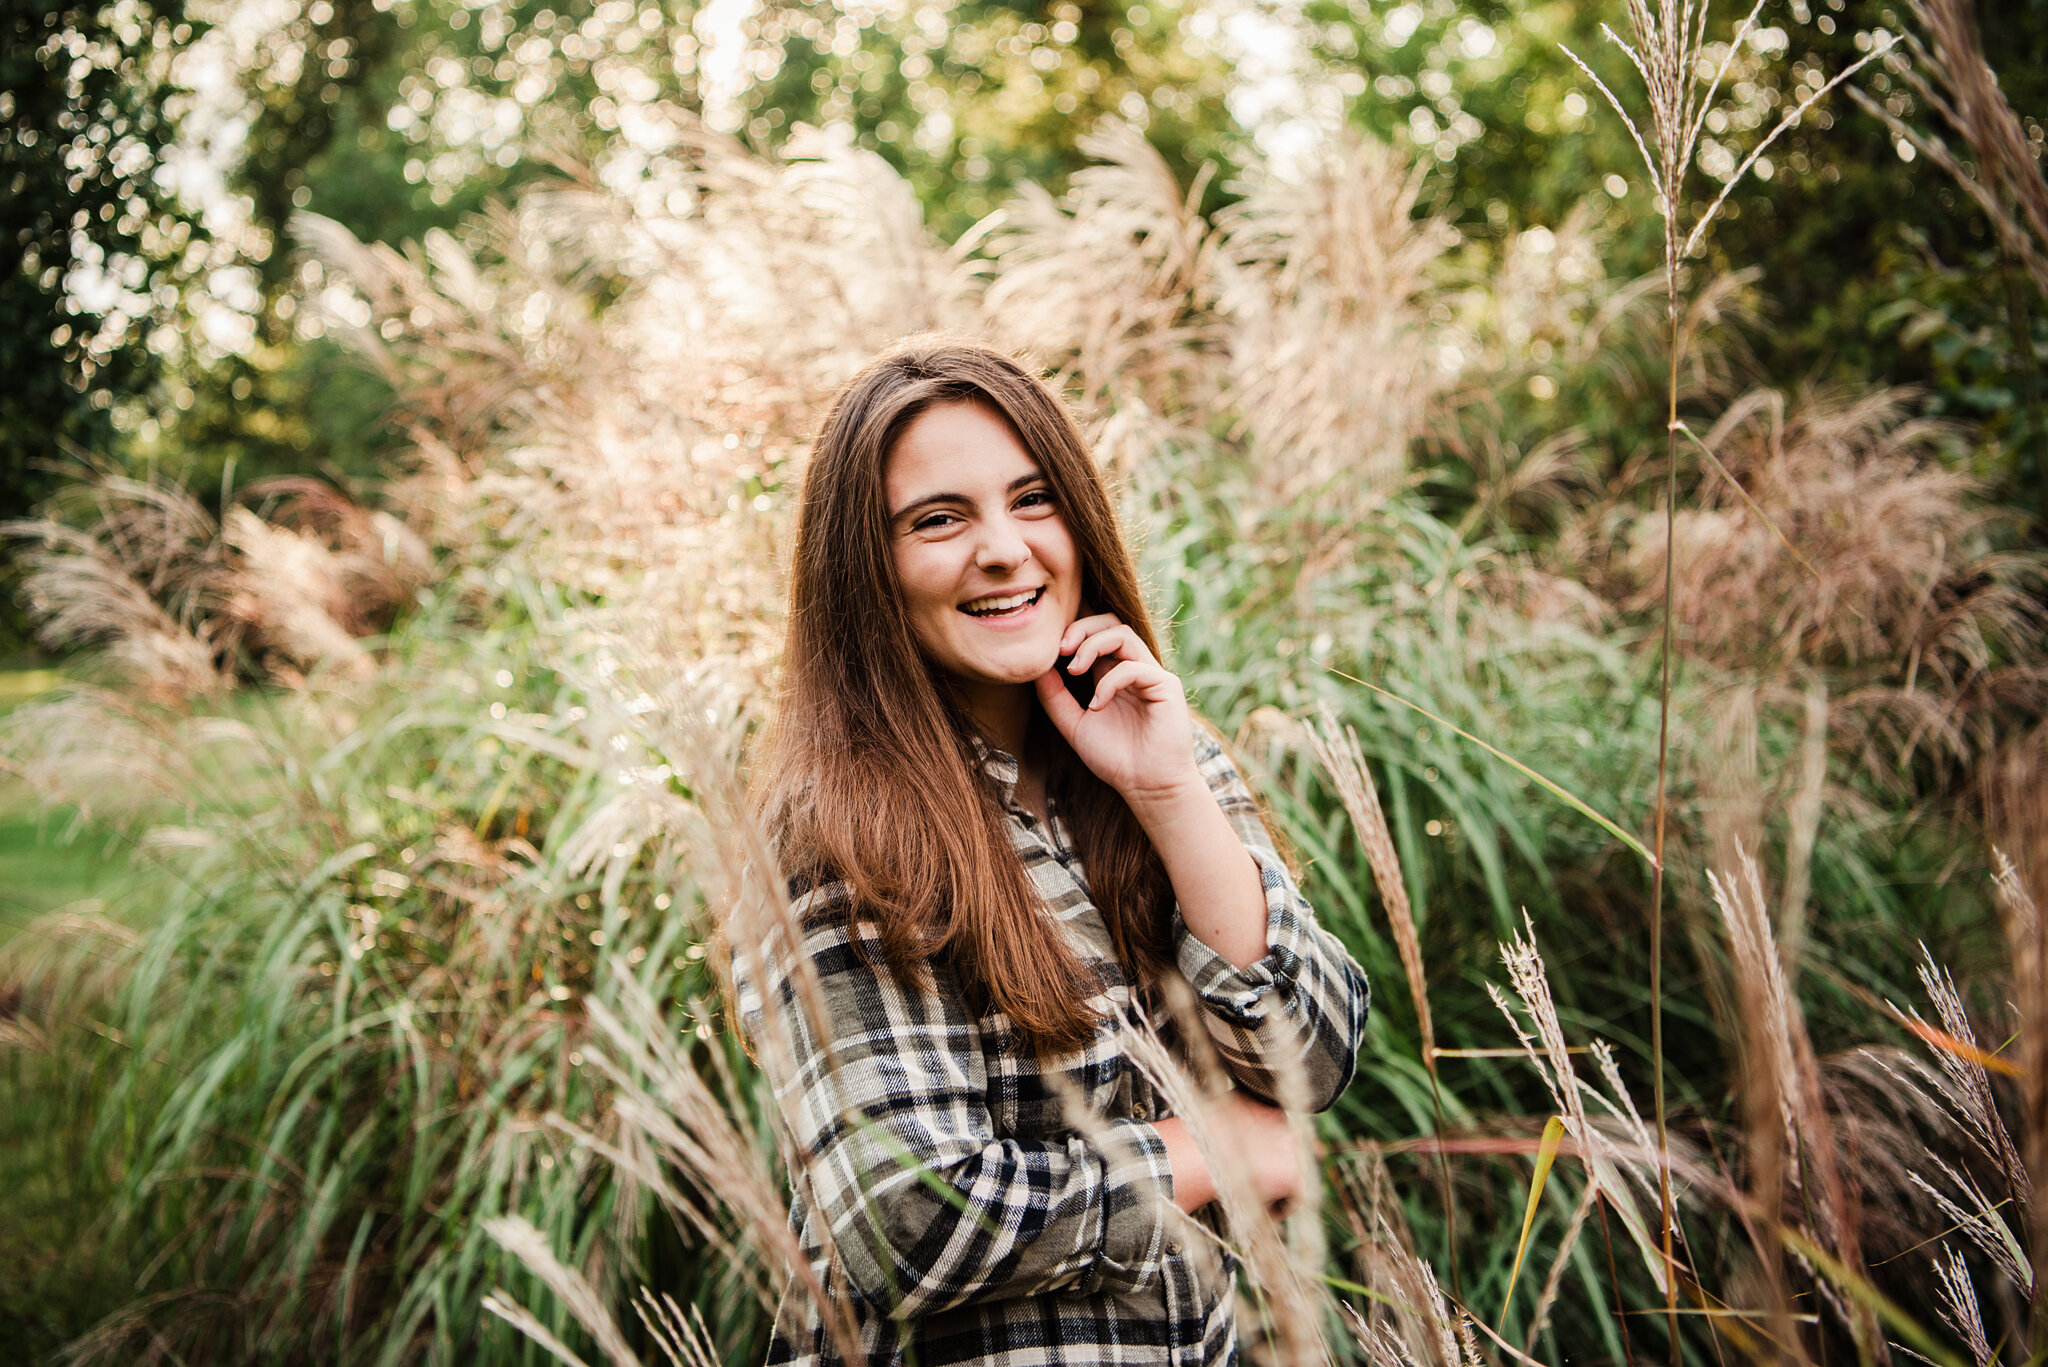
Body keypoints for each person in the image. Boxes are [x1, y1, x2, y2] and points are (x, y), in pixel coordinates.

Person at [734, 336, 1370, 1367]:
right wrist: (1207, 1148)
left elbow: (1309, 1059)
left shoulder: (1149, 745)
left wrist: (1165, 790)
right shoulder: (838, 832)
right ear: (866, 570)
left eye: (1033, 500)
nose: (1002, 548)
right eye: (938, 519)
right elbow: (909, 1218)